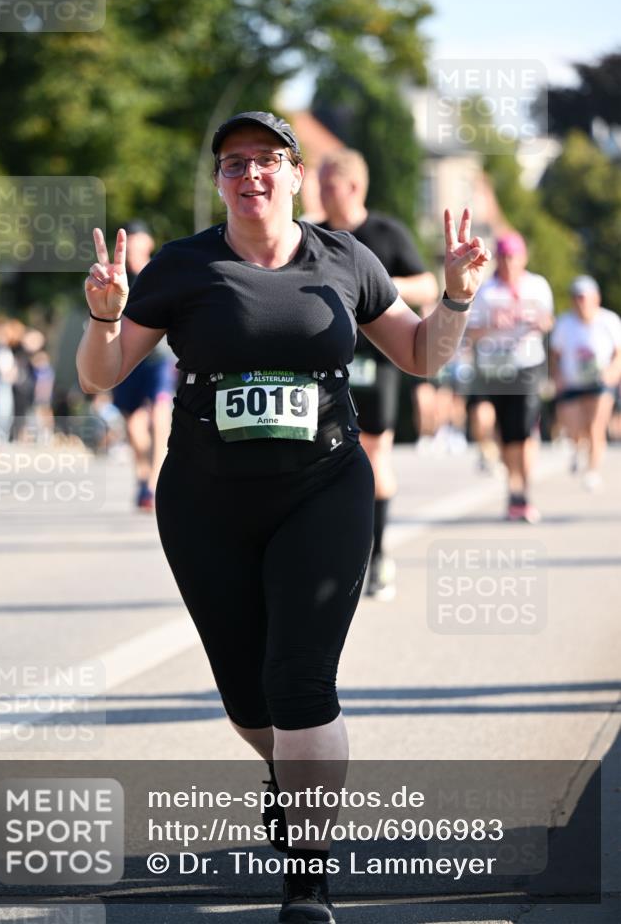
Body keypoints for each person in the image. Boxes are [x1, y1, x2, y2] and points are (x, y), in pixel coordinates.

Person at [76, 110, 490, 923]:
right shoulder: (183, 266)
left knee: (299, 684)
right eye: (234, 163)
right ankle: (286, 774)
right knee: (246, 699)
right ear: (220, 181)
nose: (251, 175)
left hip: (324, 489)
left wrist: (453, 299)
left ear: (297, 175)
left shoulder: (346, 258)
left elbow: (417, 354)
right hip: (204, 500)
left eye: (268, 160)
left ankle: (308, 876)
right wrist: (104, 316)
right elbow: (101, 375)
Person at [318, 150, 438, 601]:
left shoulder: (385, 233)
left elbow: (428, 285)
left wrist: (374, 284)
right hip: (327, 363)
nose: (320, 193)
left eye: (327, 184)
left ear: (352, 187)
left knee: (374, 452)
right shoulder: (312, 235)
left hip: (378, 360)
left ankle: (379, 555)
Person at [466, 231, 554, 522]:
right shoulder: (487, 290)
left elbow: (548, 320)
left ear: (523, 257)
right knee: (503, 432)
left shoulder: (537, 286)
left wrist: (538, 321)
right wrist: (493, 324)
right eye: (503, 257)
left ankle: (522, 493)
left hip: (527, 366)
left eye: (513, 257)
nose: (508, 263)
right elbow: (471, 333)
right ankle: (512, 486)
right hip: (495, 369)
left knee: (522, 433)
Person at [110, 220, 177, 510]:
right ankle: (142, 475)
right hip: (127, 357)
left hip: (160, 357)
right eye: (130, 240)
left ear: (148, 243)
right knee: (134, 424)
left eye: (139, 239)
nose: (135, 245)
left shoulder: (160, 271)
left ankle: (154, 483)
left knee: (159, 414)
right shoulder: (115, 277)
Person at [550, 275, 621, 490]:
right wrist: (558, 377)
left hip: (600, 382)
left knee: (595, 425)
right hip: (573, 382)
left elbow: (619, 353)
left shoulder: (609, 320)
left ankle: (592, 470)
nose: (581, 303)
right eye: (577, 298)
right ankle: (578, 448)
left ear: (595, 299)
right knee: (574, 427)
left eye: (584, 298)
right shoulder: (564, 323)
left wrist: (612, 372)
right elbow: (555, 355)